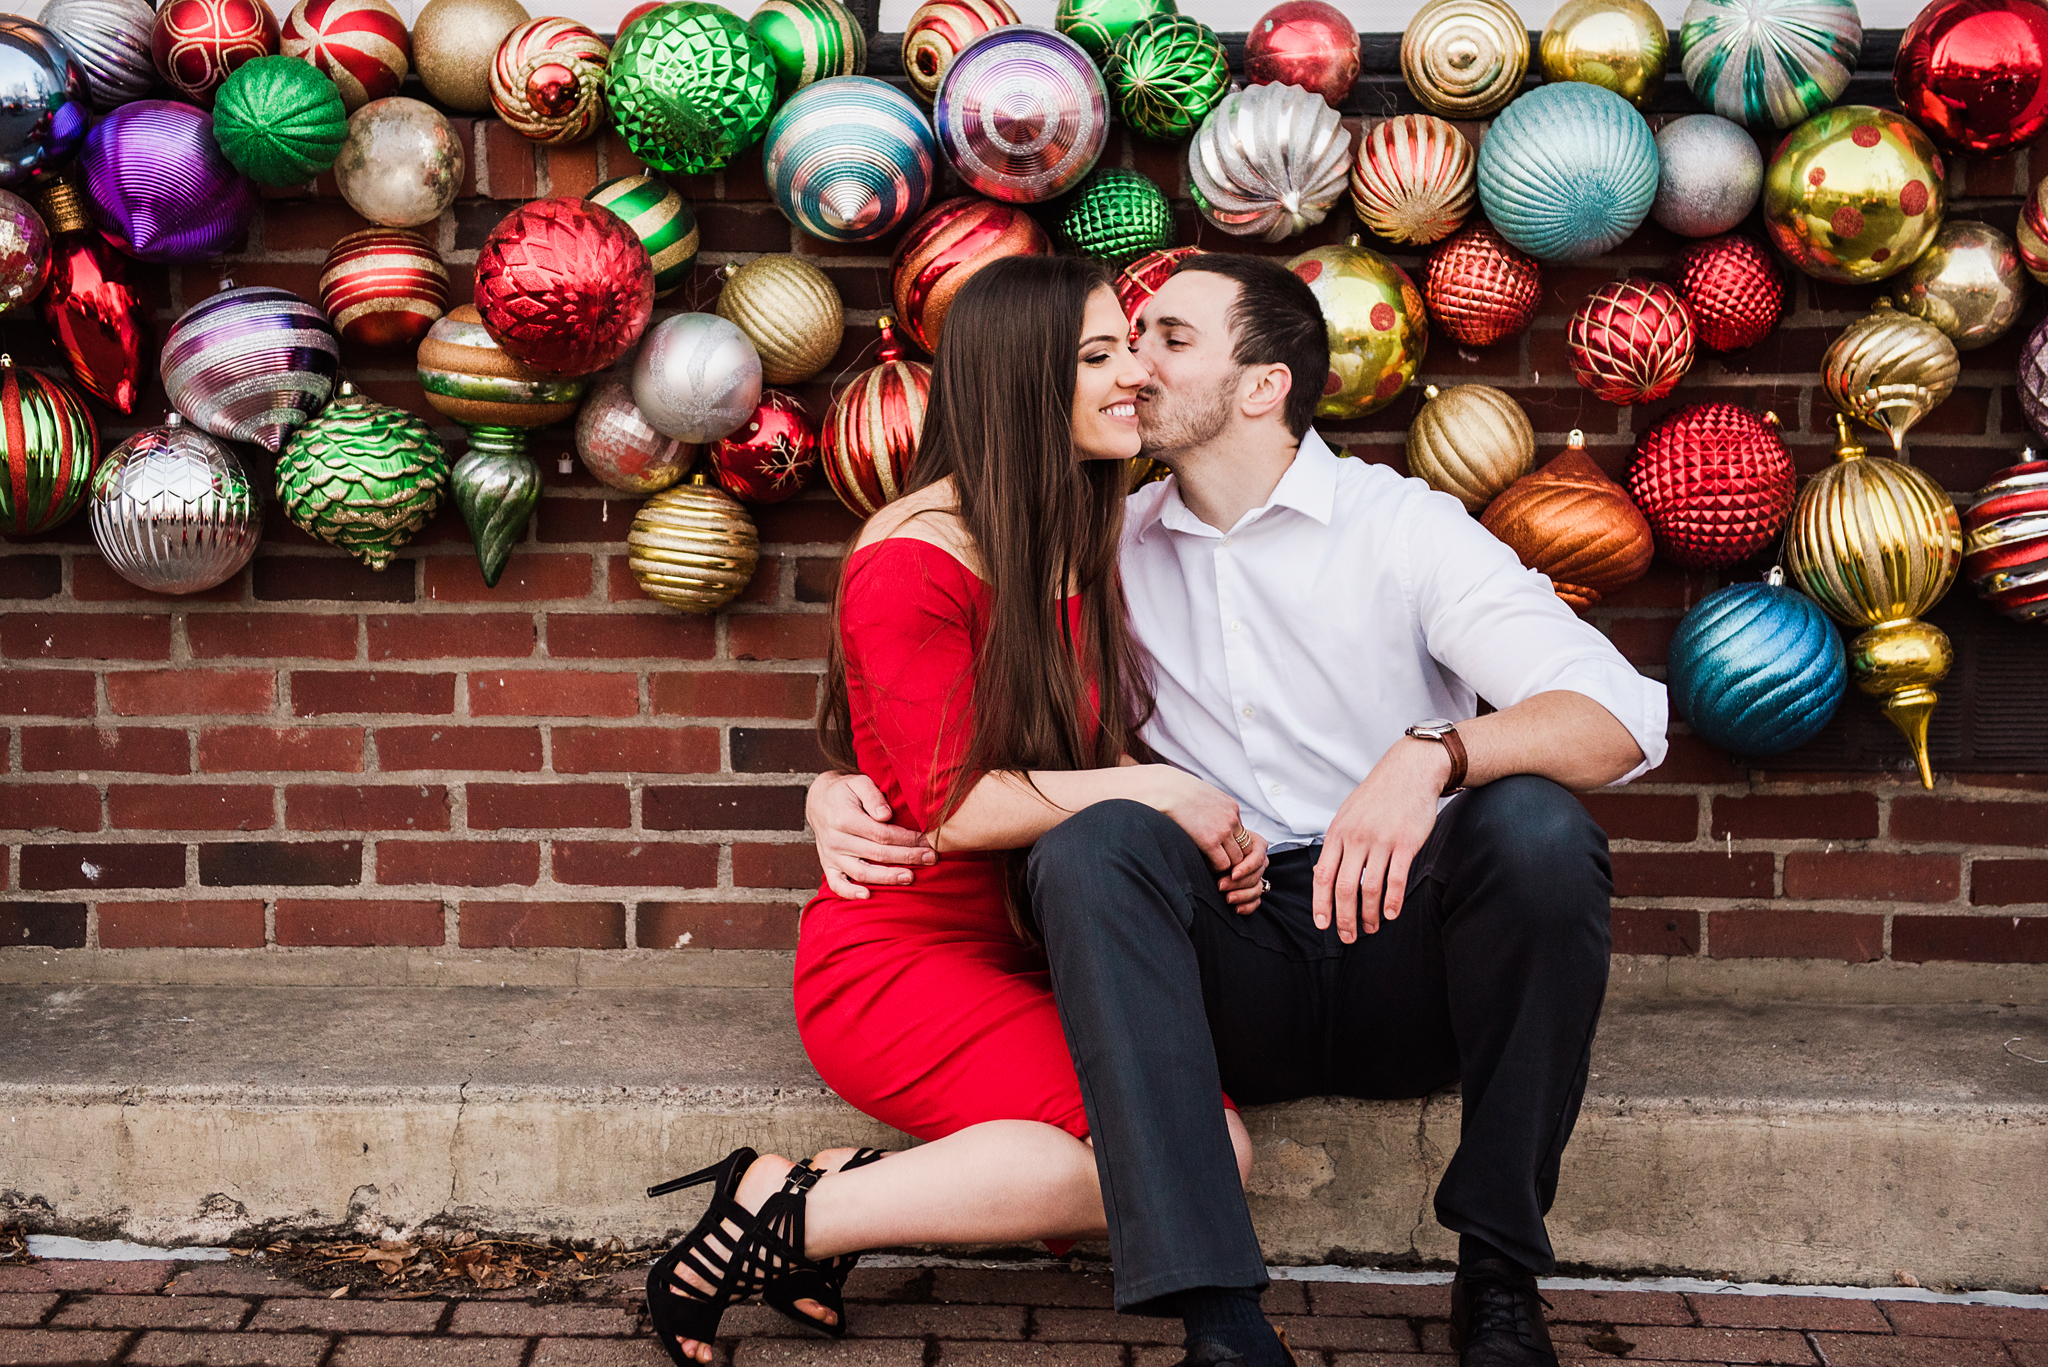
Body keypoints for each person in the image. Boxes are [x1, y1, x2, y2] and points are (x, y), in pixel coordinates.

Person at [808, 253, 1670, 1367]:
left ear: (1260, 384)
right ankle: (1219, 1324)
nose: (1132, 367)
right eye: (1115, 345)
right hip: (1223, 960)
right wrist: (830, 791)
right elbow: (941, 718)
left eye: (1164, 339)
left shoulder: (1399, 527)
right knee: (1098, 843)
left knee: (1539, 828)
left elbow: (1622, 716)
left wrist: (1435, 754)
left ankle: (1498, 1275)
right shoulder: (1097, 537)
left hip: (1395, 940)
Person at [641, 254, 1283, 1367]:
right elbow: (955, 805)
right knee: (1202, 1148)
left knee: (1175, 1130)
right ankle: (779, 1208)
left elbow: (1054, 747)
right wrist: (1158, 785)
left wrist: (1199, 834)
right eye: (1097, 355)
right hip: (900, 962)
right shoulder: (910, 558)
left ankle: (816, 1197)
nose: (1132, 372)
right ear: (1017, 381)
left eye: (1126, 346)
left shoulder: (1072, 533)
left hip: (1043, 945)